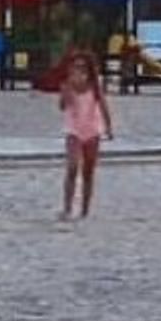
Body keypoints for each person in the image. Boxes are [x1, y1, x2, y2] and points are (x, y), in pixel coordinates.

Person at [59, 49, 114, 219]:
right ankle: (67, 207)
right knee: (72, 167)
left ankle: (85, 209)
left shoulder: (95, 85)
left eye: (82, 67)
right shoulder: (67, 84)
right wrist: (67, 91)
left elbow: (103, 105)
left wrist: (109, 126)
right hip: (74, 128)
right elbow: (62, 106)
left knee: (88, 171)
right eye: (75, 67)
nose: (78, 71)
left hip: (92, 129)